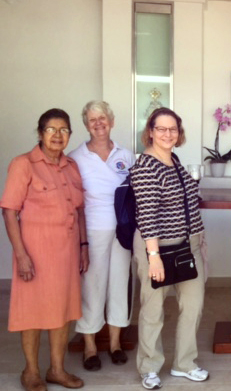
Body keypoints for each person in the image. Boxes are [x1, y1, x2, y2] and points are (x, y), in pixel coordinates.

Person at [1, 109, 88, 391]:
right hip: (35, 254)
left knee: (62, 311)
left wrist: (84, 247)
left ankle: (57, 370)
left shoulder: (72, 166)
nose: (57, 135)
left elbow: (79, 210)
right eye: (51, 129)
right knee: (33, 312)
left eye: (64, 130)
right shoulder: (23, 164)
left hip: (67, 253)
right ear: (40, 133)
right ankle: (31, 371)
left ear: (70, 135)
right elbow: (9, 212)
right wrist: (21, 255)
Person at [129, 107, 208, 389]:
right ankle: (149, 367)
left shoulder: (174, 160)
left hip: (188, 247)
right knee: (153, 309)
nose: (167, 134)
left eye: (172, 129)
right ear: (150, 132)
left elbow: (187, 205)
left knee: (193, 306)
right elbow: (147, 216)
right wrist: (153, 257)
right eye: (161, 128)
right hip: (157, 248)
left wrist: (199, 238)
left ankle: (184, 364)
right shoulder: (146, 167)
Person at [68, 101, 135, 371]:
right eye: (93, 119)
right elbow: (73, 201)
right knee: (92, 286)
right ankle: (90, 346)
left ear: (112, 121)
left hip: (123, 229)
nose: (98, 123)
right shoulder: (75, 157)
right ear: (86, 125)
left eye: (103, 118)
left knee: (119, 285)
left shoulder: (126, 155)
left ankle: (115, 343)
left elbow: (134, 194)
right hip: (93, 229)